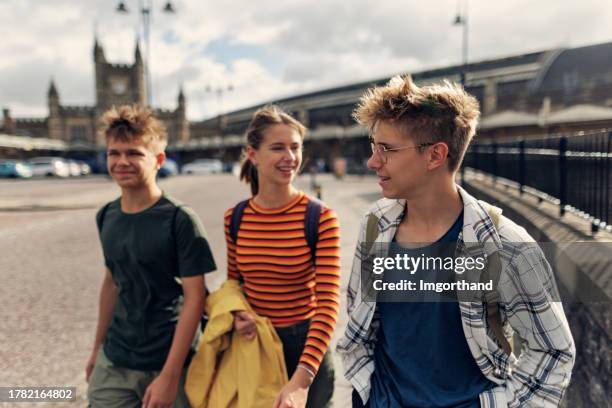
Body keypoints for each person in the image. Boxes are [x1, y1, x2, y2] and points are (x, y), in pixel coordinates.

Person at [337, 76, 575, 407]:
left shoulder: (506, 244)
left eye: (387, 149)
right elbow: (362, 320)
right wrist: (366, 389)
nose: (372, 161)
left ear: (435, 155)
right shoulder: (375, 224)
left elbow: (554, 350)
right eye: (373, 147)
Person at [86, 105, 216, 408]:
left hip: (170, 359)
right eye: (113, 153)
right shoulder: (106, 215)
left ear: (159, 160)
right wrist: (96, 349)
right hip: (116, 357)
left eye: (133, 153)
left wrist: (170, 376)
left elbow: (195, 298)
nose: (121, 162)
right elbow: (112, 283)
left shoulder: (180, 219)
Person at [225, 105, 341, 408]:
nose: (290, 157)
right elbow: (234, 284)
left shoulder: (320, 217)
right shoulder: (235, 218)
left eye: (295, 147)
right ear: (252, 154)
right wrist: (238, 314)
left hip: (306, 348)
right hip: (256, 345)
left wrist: (301, 380)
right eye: (278, 147)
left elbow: (328, 303)